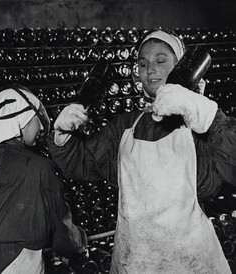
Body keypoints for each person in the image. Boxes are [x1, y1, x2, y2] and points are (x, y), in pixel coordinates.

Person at [48, 28, 236, 273]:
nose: (151, 69)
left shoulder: (198, 124)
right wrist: (63, 136)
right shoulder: (124, 127)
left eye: (160, 61)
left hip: (190, 263)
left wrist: (211, 117)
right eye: (143, 64)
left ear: (181, 68)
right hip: (135, 262)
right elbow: (82, 163)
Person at [0, 84, 87, 274]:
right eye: (36, 120)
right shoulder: (37, 166)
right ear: (21, 118)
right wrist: (79, 242)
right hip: (18, 265)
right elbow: (62, 233)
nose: (41, 127)